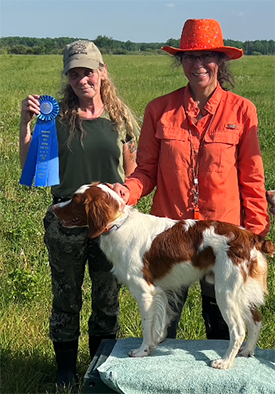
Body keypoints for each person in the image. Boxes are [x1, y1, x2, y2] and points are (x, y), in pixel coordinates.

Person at [114, 19, 270, 341]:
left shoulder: (242, 111)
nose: (198, 65)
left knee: (223, 321)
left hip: (221, 238)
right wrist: (124, 193)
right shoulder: (159, 110)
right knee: (163, 319)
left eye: (206, 56)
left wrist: (255, 233)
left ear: (220, 61)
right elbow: (145, 171)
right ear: (180, 61)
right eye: (189, 57)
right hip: (170, 236)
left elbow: (251, 178)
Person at [19, 40, 139, 390]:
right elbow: (33, 167)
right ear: (67, 77)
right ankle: (66, 370)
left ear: (102, 72)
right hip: (66, 219)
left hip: (110, 225)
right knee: (66, 297)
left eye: (88, 71)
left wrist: (128, 202)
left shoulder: (121, 119)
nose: (81, 79)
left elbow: (133, 173)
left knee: (107, 300)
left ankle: (99, 368)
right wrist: (27, 126)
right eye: (74, 73)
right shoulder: (55, 118)